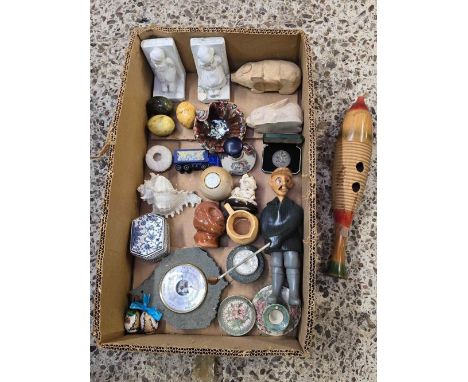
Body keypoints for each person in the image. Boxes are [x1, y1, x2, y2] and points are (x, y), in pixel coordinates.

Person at [260, 167, 303, 305]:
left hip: (290, 242)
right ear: (271, 183)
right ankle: (275, 293)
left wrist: (277, 238)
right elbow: (265, 226)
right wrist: (269, 240)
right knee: (276, 264)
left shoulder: (294, 208)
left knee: (292, 264)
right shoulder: (268, 209)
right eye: (278, 180)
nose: (283, 184)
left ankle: (294, 294)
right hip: (273, 243)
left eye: (287, 181)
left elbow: (292, 223)